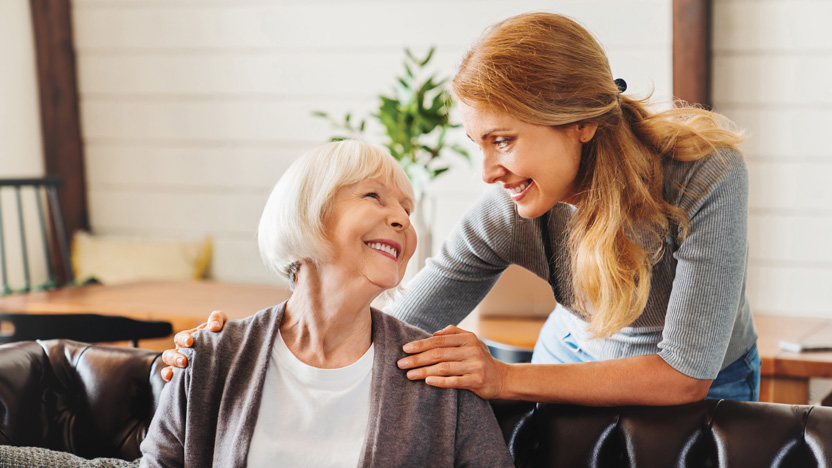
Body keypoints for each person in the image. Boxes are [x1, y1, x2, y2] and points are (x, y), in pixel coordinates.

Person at [163, 12, 759, 406]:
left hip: (707, 381)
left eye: (504, 139)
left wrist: (504, 376)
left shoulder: (704, 175)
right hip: (571, 354)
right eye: (479, 143)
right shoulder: (507, 212)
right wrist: (234, 349)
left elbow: (684, 374)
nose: (488, 171)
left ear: (579, 121)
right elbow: (395, 329)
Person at [137, 140, 513, 467]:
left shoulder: (441, 373)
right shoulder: (210, 356)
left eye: (406, 209)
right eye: (373, 196)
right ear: (309, 211)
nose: (401, 218)